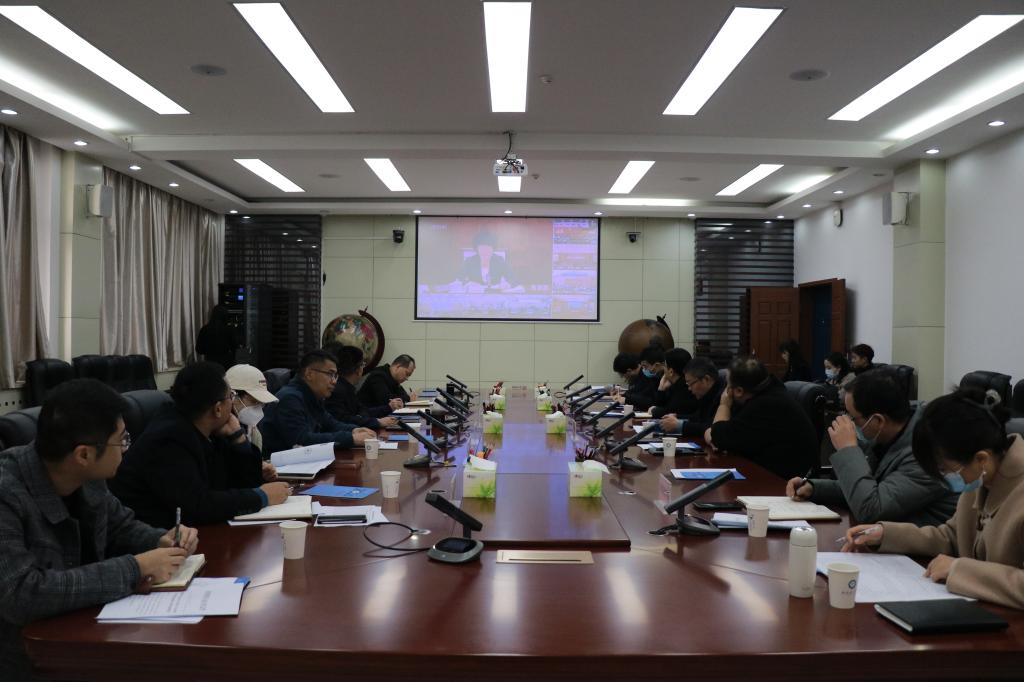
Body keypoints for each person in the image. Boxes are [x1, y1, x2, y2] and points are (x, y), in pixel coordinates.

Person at [0, 380, 199, 681]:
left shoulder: (87, 475)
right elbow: (21, 594)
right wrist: (135, 568)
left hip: (87, 631)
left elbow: (120, 526)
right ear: (83, 454)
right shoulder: (7, 491)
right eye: (122, 440)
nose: (126, 448)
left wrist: (160, 539)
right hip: (28, 658)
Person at [843, 389, 1024, 609]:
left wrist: (959, 570)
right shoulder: (982, 476)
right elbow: (951, 537)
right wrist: (885, 534)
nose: (942, 478)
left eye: (944, 469)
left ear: (981, 459)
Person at [110, 362, 288, 528]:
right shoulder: (168, 440)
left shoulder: (209, 429)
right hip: (157, 538)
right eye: (231, 396)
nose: (232, 403)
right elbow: (197, 505)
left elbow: (242, 485)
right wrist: (261, 497)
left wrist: (239, 440)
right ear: (217, 408)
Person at [787, 371, 958, 526]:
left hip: (924, 547)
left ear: (878, 420)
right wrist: (815, 488)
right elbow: (867, 486)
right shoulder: (888, 435)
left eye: (852, 417)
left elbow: (871, 510)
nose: (847, 422)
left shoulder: (927, 454)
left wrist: (848, 450)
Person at [706, 357, 818, 479]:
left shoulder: (765, 405)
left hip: (783, 482)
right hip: (771, 472)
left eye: (728, 385)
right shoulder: (770, 392)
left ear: (738, 391)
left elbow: (717, 437)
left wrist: (724, 405)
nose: (726, 391)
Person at [261, 350, 378, 456]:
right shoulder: (290, 398)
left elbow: (331, 424)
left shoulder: (312, 395)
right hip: (278, 467)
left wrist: (354, 430)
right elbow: (302, 440)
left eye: (335, 376)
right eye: (330, 374)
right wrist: (351, 438)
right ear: (309, 374)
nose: (334, 381)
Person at [323, 344, 400, 430]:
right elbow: (344, 420)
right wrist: (377, 422)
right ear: (358, 370)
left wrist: (388, 408)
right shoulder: (337, 390)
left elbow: (362, 411)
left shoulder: (347, 387)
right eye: (363, 364)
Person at [660, 357, 726, 439]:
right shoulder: (707, 394)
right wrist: (677, 417)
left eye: (690, 384)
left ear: (706, 379)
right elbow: (697, 418)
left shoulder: (722, 395)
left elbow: (710, 428)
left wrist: (680, 425)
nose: (689, 389)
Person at [225, 363, 279, 455]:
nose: (258, 409)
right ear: (232, 396)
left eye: (261, 404)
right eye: (254, 402)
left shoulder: (253, 432)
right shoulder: (218, 434)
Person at [650, 348, 698, 419]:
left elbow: (669, 412)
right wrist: (661, 389)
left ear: (671, 371)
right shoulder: (674, 385)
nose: (664, 370)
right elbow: (660, 406)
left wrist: (655, 410)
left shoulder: (685, 387)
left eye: (665, 366)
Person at [195, 304, 238, 370]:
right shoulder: (229, 329)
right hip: (226, 363)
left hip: (209, 363)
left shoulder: (204, 329)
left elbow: (199, 349)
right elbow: (235, 348)